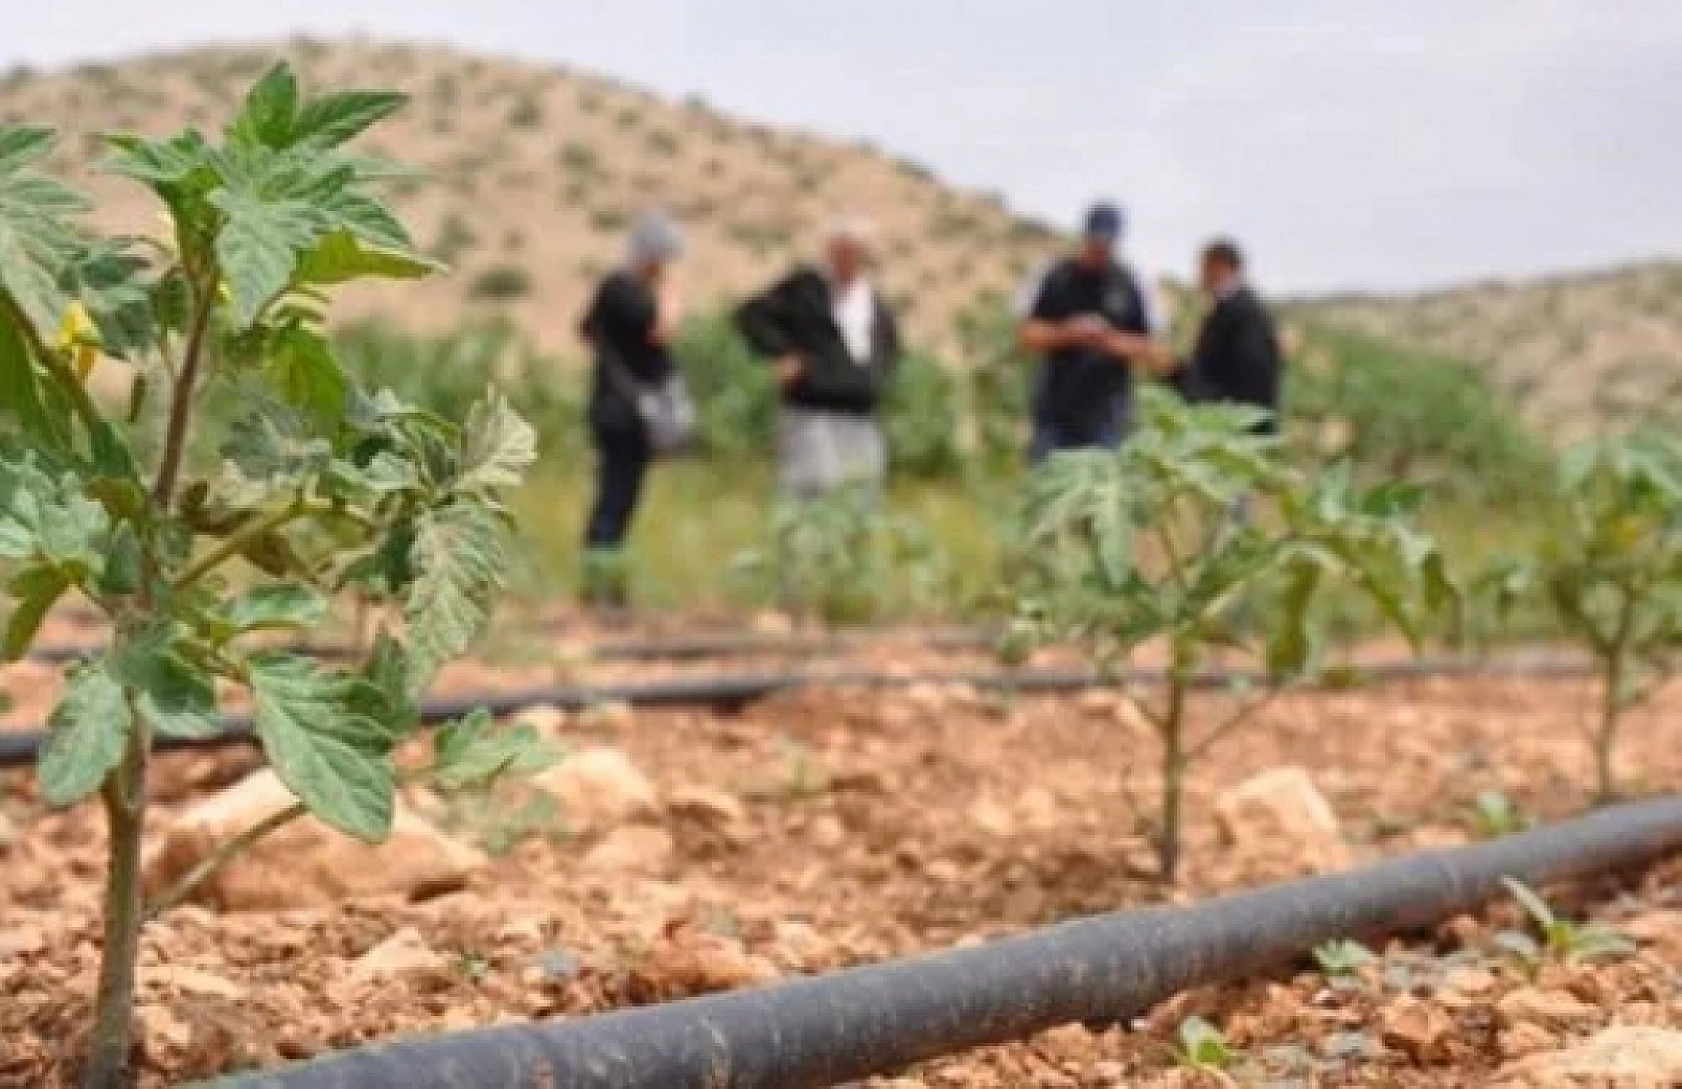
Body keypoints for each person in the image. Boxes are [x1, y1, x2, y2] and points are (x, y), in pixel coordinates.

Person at [736, 217, 902, 498]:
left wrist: (878, 376)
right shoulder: (804, 289)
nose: (849, 258)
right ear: (829, 251)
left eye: (856, 251)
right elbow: (752, 316)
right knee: (813, 493)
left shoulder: (873, 301)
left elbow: (889, 345)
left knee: (861, 497)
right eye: (843, 250)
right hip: (813, 411)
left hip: (863, 415)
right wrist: (784, 353)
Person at [577, 210, 685, 607]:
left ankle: (603, 583)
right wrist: (669, 295)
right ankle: (602, 588)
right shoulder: (628, 290)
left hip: (613, 405)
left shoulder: (611, 288)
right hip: (627, 412)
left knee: (615, 497)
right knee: (616, 499)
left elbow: (586, 330)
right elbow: (662, 330)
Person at [1016, 201, 1173, 463]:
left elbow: (1153, 349)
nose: (1100, 251)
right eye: (1095, 242)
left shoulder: (1132, 284)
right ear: (1084, 237)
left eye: (1106, 244)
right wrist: (1069, 333)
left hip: (1107, 418)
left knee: (1099, 498)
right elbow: (1027, 335)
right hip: (1055, 414)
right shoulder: (1055, 277)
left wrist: (1107, 339)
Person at [1171, 238, 1284, 433]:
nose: (1199, 276)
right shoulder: (1232, 309)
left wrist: (1183, 377)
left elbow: (1248, 383)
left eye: (1203, 267)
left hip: (1237, 432)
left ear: (1219, 266)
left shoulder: (1244, 314)